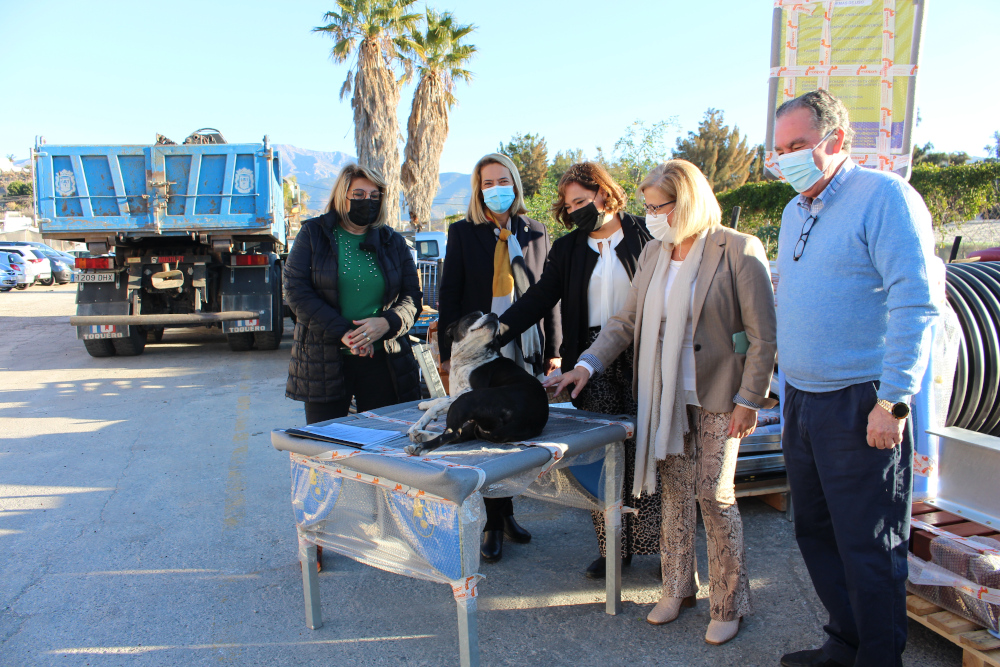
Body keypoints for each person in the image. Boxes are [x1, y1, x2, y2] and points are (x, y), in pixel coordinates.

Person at [548, 160, 777, 646]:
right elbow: (625, 322)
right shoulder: (655, 252)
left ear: (687, 200)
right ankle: (677, 589)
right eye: (648, 206)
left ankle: (729, 601)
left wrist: (750, 399)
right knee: (673, 494)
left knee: (714, 496)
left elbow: (762, 336)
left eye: (658, 206)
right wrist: (585, 366)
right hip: (665, 395)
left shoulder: (737, 248)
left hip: (720, 396)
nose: (650, 215)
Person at [772, 90, 939, 667]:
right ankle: (843, 645)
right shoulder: (796, 209)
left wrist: (893, 402)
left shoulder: (885, 198)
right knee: (817, 535)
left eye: (797, 146)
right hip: (803, 402)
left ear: (836, 141)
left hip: (862, 402)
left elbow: (915, 303)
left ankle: (877, 659)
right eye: (778, 149)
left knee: (871, 546)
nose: (785, 158)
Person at [496, 162, 661, 578]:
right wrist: (497, 331)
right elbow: (539, 298)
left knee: (650, 449)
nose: (573, 212)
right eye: (568, 206)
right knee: (605, 454)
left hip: (645, 352)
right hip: (589, 357)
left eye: (581, 202)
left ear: (605, 194)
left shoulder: (646, 234)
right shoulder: (568, 249)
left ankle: (661, 548)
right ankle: (613, 550)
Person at [437, 152, 562, 563]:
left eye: (502, 180)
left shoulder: (536, 231)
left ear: (516, 183)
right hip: (479, 347)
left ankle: (507, 512)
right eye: (487, 183)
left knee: (515, 433)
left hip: (523, 344)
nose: (495, 189)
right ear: (478, 190)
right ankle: (492, 521)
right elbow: (449, 297)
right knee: (484, 429)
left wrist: (555, 350)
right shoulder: (463, 233)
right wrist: (447, 356)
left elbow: (551, 295)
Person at [284, 163, 422, 425]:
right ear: (342, 195)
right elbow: (295, 291)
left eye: (374, 196)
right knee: (327, 447)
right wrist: (347, 334)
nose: (366, 201)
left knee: (384, 446)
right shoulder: (313, 234)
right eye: (358, 195)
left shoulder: (393, 242)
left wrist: (387, 323)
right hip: (324, 361)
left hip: (384, 360)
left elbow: (412, 298)